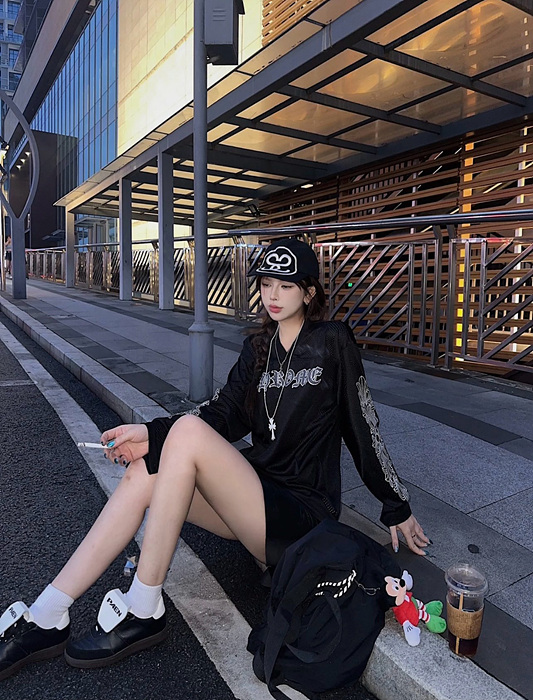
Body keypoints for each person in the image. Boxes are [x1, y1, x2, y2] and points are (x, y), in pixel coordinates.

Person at [0, 238, 429, 681]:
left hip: (304, 514)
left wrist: (396, 504)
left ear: (309, 292)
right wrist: (149, 436)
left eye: (286, 285)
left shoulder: (332, 341)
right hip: (255, 500)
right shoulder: (258, 348)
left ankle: (144, 607)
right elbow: (222, 415)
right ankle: (48, 614)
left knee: (185, 435)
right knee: (145, 470)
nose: (273, 295)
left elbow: (363, 423)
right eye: (266, 283)